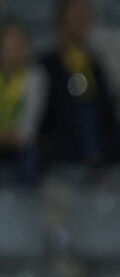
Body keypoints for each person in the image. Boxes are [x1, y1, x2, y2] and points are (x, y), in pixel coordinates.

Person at [37, 0, 120, 176]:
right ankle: (94, 165)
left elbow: (108, 108)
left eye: (84, 18)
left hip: (98, 134)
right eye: (75, 18)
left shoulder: (94, 63)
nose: (81, 23)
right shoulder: (47, 63)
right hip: (61, 135)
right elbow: (44, 111)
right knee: (83, 110)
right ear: (62, 22)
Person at [0, 21, 45, 186]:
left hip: (20, 144)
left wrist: (12, 137)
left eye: (18, 47)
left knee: (30, 155)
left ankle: (26, 203)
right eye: (8, 47)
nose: (12, 53)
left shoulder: (35, 79)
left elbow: (29, 126)